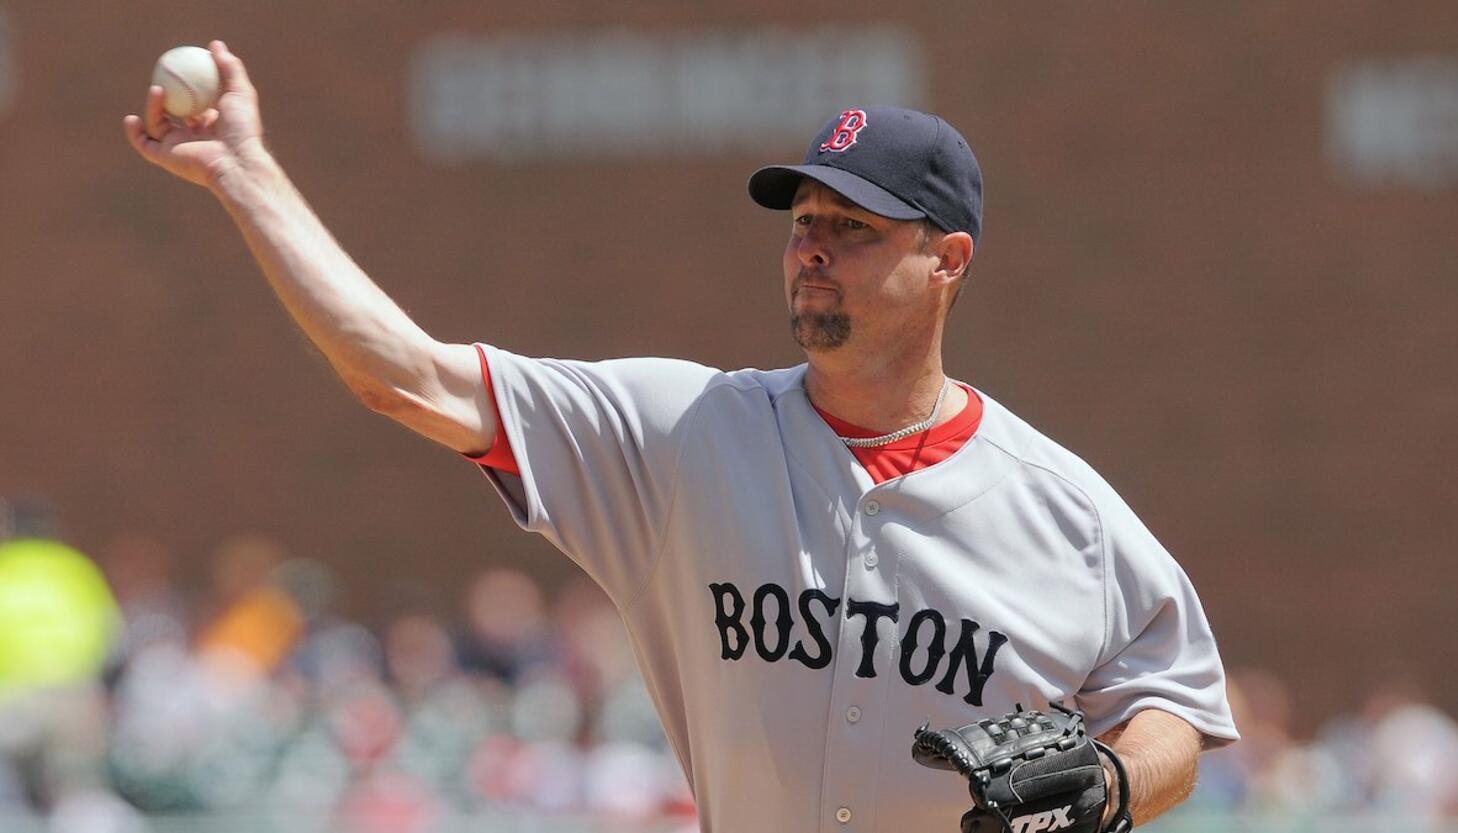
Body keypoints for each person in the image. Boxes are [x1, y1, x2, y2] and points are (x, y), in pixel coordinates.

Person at [125, 41, 1238, 831]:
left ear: (945, 261)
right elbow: (400, 374)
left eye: (850, 228)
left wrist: (1113, 782)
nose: (811, 249)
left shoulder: (1060, 505)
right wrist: (246, 177)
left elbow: (1174, 707)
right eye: (802, 224)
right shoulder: (680, 432)